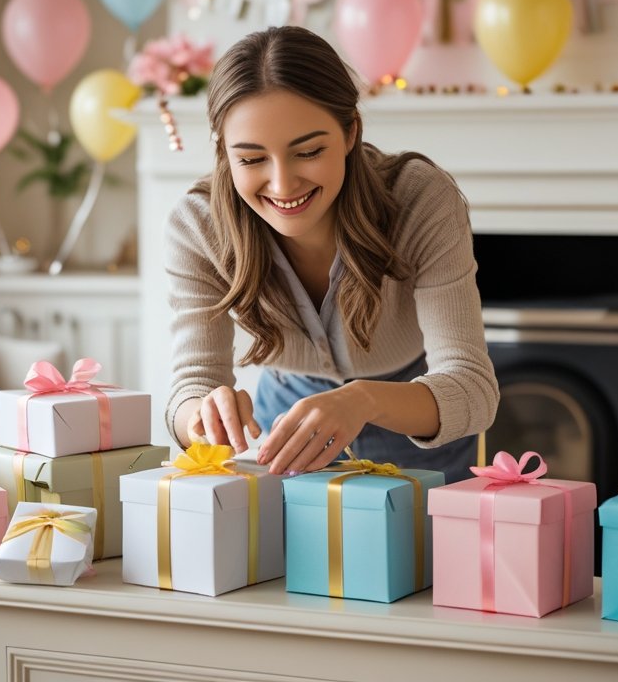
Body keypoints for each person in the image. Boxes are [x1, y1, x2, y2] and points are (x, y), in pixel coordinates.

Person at [164, 25, 498, 483]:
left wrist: (364, 400)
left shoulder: (420, 198)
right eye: (251, 159)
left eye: (309, 151)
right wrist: (202, 415)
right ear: (224, 153)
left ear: (350, 133)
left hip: (415, 417)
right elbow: (189, 388)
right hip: (284, 428)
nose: (282, 185)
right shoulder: (197, 225)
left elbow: (473, 390)